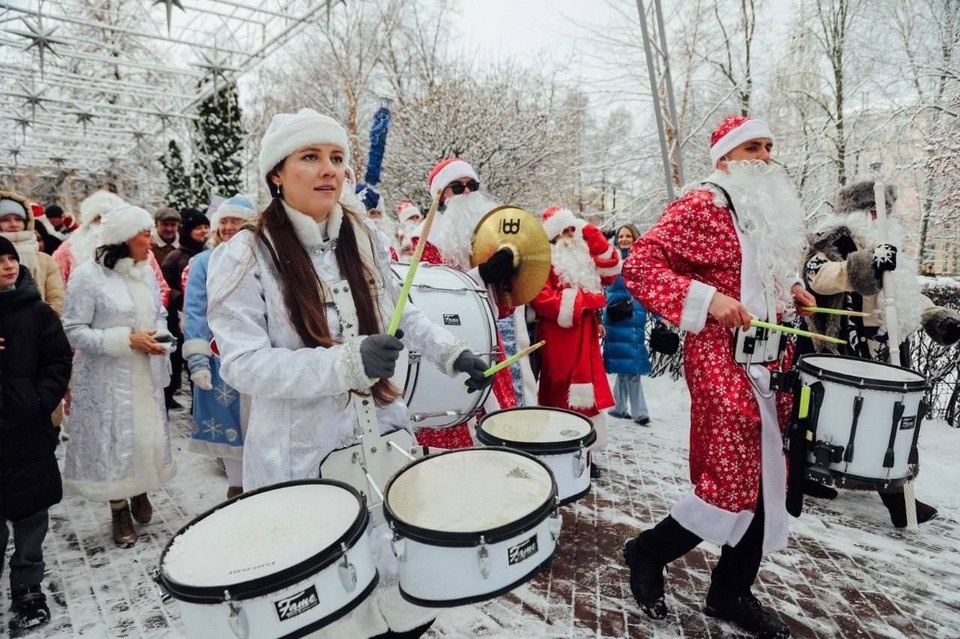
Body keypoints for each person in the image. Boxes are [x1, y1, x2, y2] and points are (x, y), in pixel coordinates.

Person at [206, 108, 494, 639]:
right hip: (302, 455)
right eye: (310, 157)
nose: (328, 170)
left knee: (397, 588)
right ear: (276, 172)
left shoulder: (361, 237)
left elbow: (400, 310)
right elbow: (243, 364)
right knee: (328, 600)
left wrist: (453, 353)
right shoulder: (245, 255)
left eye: (336, 158)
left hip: (381, 437)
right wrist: (343, 364)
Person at [621, 115, 815, 639]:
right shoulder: (703, 203)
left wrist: (793, 286)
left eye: (769, 146)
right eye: (753, 147)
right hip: (717, 354)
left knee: (764, 479)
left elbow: (766, 263)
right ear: (726, 157)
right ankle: (647, 553)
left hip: (770, 357)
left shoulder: (762, 208)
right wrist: (708, 300)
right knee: (730, 476)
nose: (765, 157)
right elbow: (639, 266)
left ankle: (730, 591)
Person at [800, 179, 960, 526]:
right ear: (857, 211)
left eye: (884, 210)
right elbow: (818, 276)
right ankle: (893, 501)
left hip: (886, 345)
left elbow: (898, 295)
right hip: (844, 346)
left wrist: (935, 316)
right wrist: (865, 265)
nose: (880, 216)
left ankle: (894, 494)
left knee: (889, 421)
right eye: (874, 210)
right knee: (839, 421)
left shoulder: (889, 247)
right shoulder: (831, 238)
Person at [61, 202, 176, 549]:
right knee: (113, 442)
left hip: (145, 373)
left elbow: (159, 314)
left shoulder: (144, 273)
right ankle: (118, 508)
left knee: (144, 437)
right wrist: (124, 340)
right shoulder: (87, 276)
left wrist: (159, 338)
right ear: (124, 238)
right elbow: (74, 329)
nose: (152, 240)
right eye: (145, 233)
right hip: (106, 378)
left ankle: (140, 486)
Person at [406, 158, 521, 449]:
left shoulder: (486, 239)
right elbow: (433, 301)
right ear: (440, 196)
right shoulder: (424, 241)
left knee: (501, 436)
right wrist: (480, 275)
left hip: (489, 346)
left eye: (472, 185)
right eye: (457, 187)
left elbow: (504, 310)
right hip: (446, 354)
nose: (467, 192)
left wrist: (508, 280)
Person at [0, 236, 72, 632]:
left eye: (11, 257)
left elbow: (58, 360)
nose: (9, 265)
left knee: (30, 514)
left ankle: (28, 588)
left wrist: (38, 401)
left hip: (28, 430)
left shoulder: (37, 312)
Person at [531, 206, 619, 476]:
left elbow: (611, 271)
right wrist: (583, 302)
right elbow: (542, 299)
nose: (571, 235)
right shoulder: (545, 261)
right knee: (560, 388)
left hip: (586, 334)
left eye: (573, 229)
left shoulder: (582, 256)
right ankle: (558, 448)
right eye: (565, 230)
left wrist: (594, 235)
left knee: (588, 392)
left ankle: (585, 450)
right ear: (554, 235)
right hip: (559, 335)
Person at [182, 194, 257, 500]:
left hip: (259, 355)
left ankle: (264, 485)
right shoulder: (203, 262)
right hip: (218, 358)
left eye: (235, 221)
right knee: (229, 425)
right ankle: (236, 488)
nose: (228, 227)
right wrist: (198, 360)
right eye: (223, 221)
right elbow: (195, 310)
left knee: (261, 424)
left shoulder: (264, 257)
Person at [602, 224, 653, 425]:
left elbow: (651, 291)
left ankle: (624, 408)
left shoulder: (642, 260)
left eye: (627, 236)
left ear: (635, 237)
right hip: (616, 319)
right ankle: (632, 410)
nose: (623, 239)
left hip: (634, 320)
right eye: (620, 236)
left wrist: (660, 318)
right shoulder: (611, 261)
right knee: (628, 368)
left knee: (631, 366)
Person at [161, 211, 210, 410]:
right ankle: (169, 395)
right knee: (178, 361)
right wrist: (181, 298)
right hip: (178, 318)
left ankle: (197, 404)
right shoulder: (175, 257)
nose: (203, 231)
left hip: (201, 316)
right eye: (198, 228)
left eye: (206, 227)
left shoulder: (210, 253)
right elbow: (164, 286)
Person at [0, 190, 65, 315]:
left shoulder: (45, 260)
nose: (14, 224)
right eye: (5, 219)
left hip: (40, 327)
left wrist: (40, 324)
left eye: (19, 219)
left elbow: (57, 300)